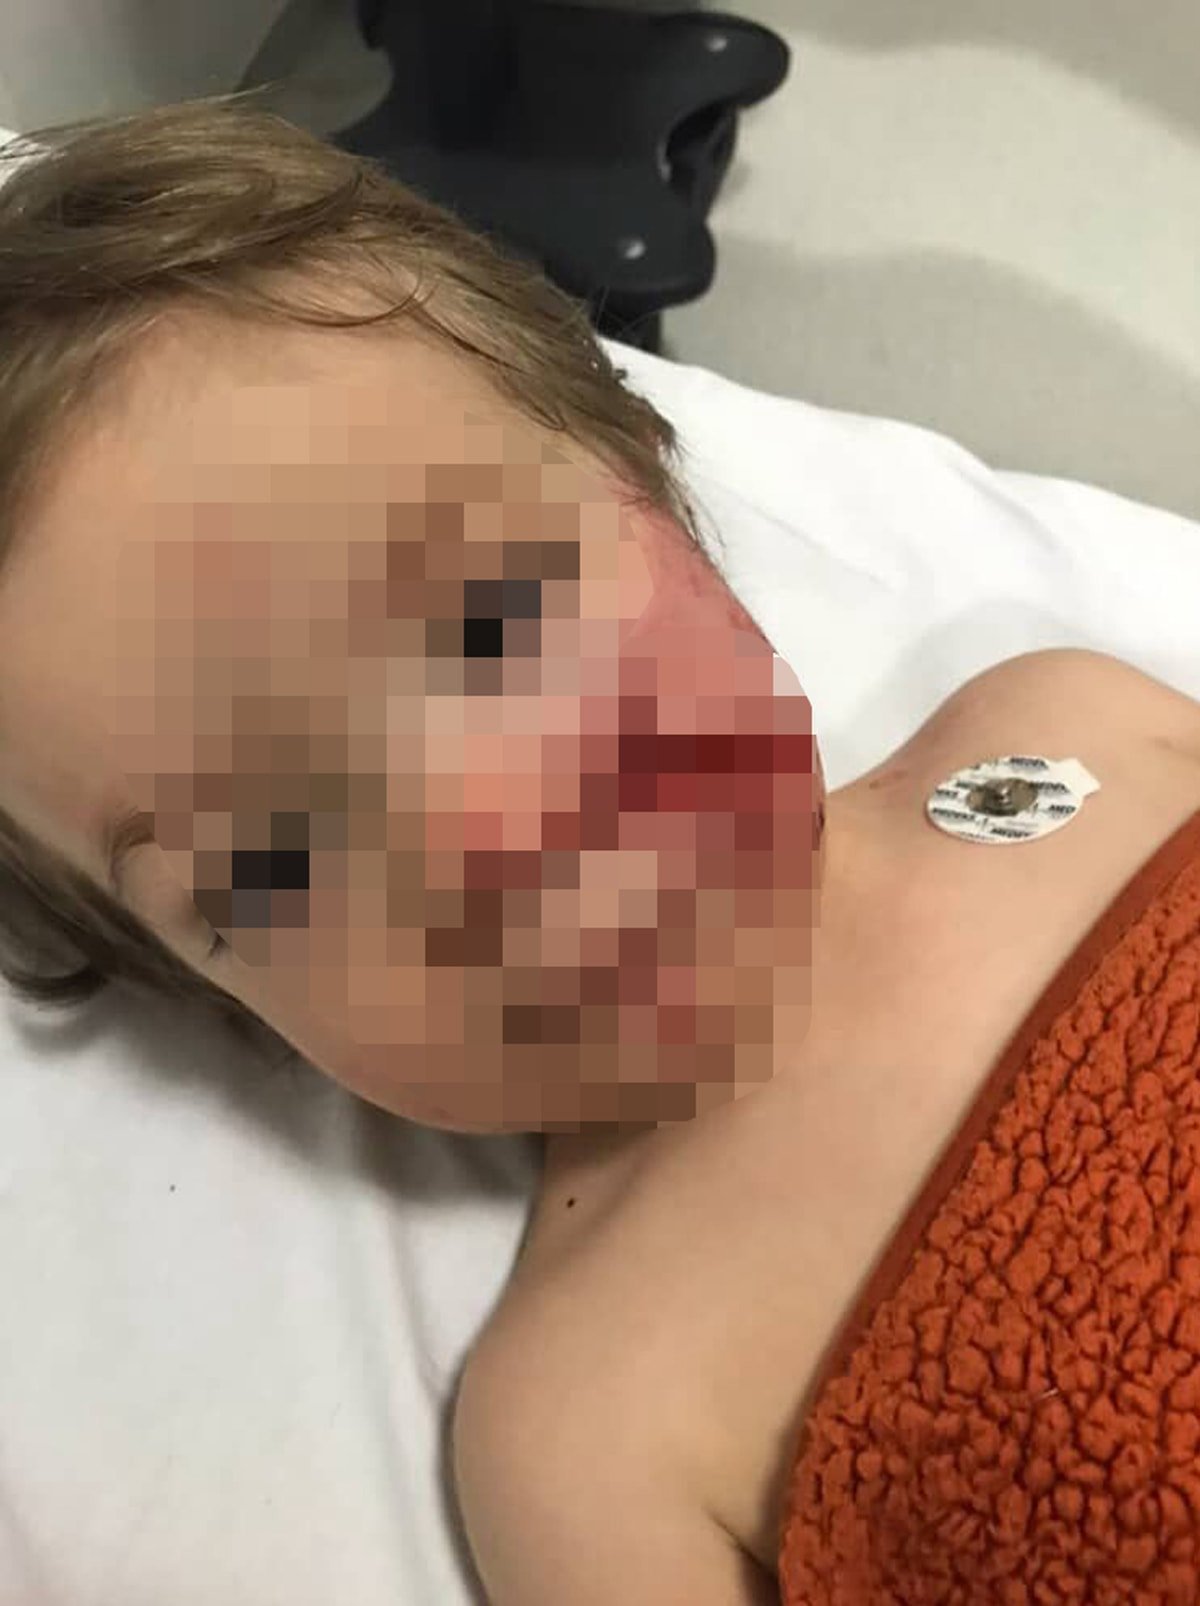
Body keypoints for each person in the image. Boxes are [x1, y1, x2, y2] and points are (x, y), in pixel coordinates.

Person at [2, 95, 1199, 1605]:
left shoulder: (1060, 717)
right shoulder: (584, 1425)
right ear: (225, 1005)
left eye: (491, 619)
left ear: (652, 473)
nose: (474, 829)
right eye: (274, 859)